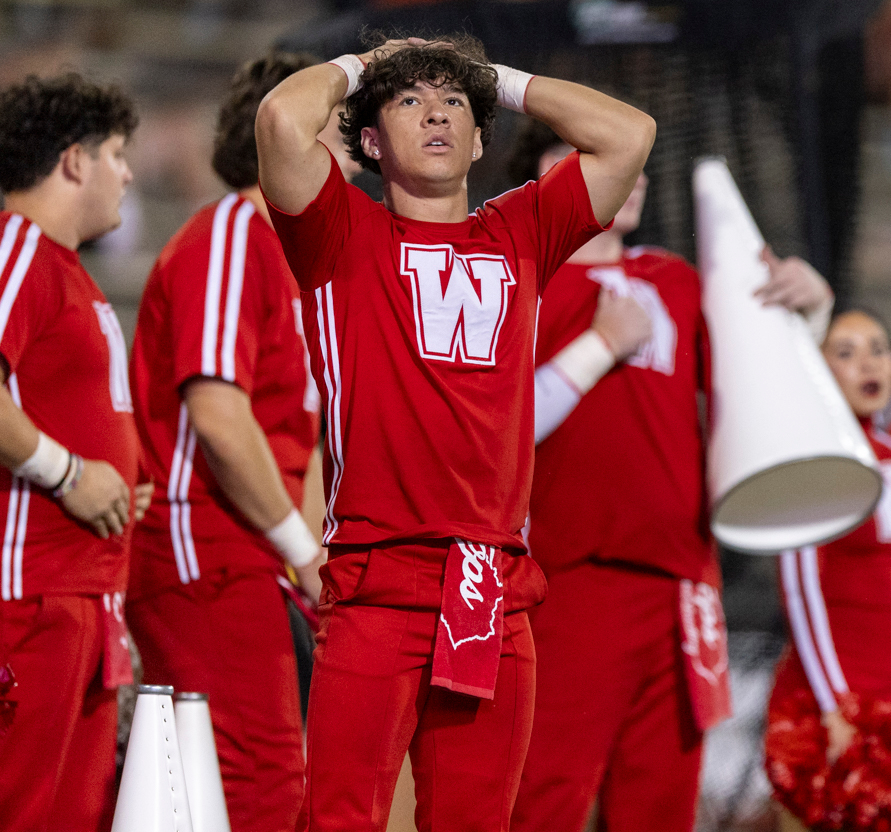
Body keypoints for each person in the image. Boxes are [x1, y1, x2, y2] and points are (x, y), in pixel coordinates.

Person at [254, 33, 655, 832]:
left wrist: (495, 79)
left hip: (493, 592)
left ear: (480, 139)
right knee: (340, 820)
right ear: (369, 142)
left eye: (454, 105)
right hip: (377, 583)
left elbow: (629, 135)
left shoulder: (522, 229)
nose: (436, 113)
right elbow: (279, 121)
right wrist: (371, 65)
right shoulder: (338, 233)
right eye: (411, 102)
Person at [506, 122, 833, 832]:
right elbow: (495, 431)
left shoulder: (679, 280)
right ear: (541, 175)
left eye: (634, 158)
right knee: (546, 795)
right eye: (587, 151)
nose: (632, 172)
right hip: (568, 578)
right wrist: (599, 346)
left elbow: (761, 396)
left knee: (663, 801)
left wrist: (810, 312)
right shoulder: (517, 280)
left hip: (683, 579)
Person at [125, 52, 358, 832]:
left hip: (249, 556)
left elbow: (298, 435)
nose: (357, 139)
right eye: (340, 115)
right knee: (260, 781)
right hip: (206, 552)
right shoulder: (234, 233)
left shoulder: (300, 262)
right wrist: (301, 547)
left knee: (250, 782)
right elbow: (219, 414)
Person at [0, 73, 142, 832]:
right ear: (74, 160)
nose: (127, 173)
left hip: (81, 598)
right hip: (30, 601)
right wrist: (67, 473)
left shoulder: (64, 270)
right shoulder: (17, 249)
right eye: (117, 153)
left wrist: (117, 484)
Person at [764, 309, 891, 831]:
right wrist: (833, 704)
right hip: (830, 706)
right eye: (846, 352)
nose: (869, 364)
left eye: (879, 349)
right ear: (814, 368)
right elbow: (800, 590)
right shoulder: (808, 460)